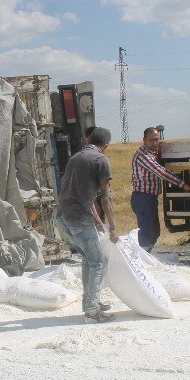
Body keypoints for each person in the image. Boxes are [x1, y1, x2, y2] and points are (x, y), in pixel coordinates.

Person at [57, 127, 119, 324]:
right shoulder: (101, 160)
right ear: (106, 145)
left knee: (87, 259)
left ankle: (91, 302)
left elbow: (80, 191)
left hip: (63, 217)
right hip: (79, 219)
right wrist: (113, 227)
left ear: (90, 139)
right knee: (99, 263)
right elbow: (105, 198)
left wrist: (98, 220)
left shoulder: (75, 158)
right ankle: (92, 311)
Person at [131, 126, 190, 253]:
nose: (155, 143)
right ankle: (139, 258)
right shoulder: (143, 155)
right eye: (152, 140)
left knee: (154, 232)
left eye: (157, 140)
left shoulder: (152, 153)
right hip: (143, 197)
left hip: (149, 198)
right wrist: (184, 185)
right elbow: (162, 172)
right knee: (147, 232)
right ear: (144, 140)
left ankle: (143, 256)